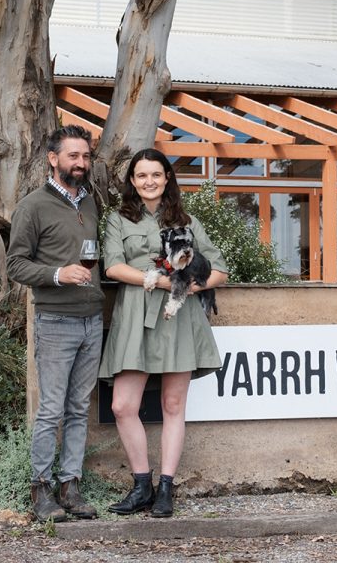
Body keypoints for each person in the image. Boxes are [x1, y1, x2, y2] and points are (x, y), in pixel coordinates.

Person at [99, 149, 228, 518]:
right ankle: (142, 485)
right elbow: (113, 266)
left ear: (167, 178)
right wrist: (154, 281)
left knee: (173, 405)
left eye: (156, 174)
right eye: (141, 176)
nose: (149, 182)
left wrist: (186, 286)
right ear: (133, 181)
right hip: (136, 313)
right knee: (122, 405)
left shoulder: (187, 220)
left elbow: (219, 271)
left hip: (178, 316)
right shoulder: (118, 219)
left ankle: (166, 489)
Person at [6, 125, 103, 522]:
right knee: (51, 410)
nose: (80, 163)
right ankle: (40, 489)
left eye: (85, 156)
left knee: (79, 408)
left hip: (92, 322)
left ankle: (71, 486)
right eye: (73, 156)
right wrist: (59, 274)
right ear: (53, 158)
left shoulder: (92, 201)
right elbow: (15, 264)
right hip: (56, 320)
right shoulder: (33, 205)